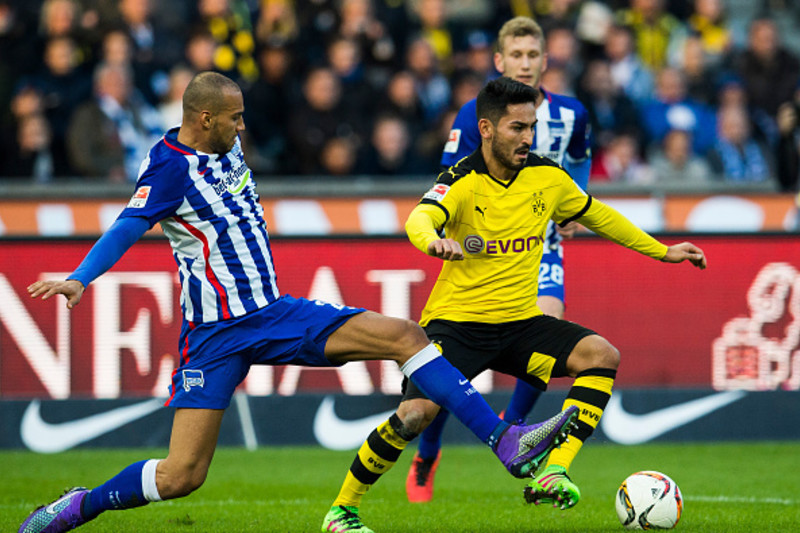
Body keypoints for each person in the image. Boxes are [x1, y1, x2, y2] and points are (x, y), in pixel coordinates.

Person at [18, 71, 579, 533]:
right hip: (214, 335)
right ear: (205, 118)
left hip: (275, 313)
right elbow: (129, 223)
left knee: (407, 335)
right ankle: (78, 506)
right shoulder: (169, 167)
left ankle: (504, 440)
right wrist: (81, 278)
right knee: (181, 476)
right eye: (234, 117)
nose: (243, 127)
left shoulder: (228, 144)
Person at [323, 78, 706, 532]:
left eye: (532, 127)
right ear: (485, 128)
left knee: (601, 355)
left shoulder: (547, 178)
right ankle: (342, 510)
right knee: (413, 416)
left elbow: (599, 215)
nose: (527, 137)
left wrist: (663, 251)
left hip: (520, 323)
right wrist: (433, 243)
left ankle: (554, 471)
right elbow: (420, 217)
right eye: (516, 128)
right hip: (455, 326)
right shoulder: (462, 180)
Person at [406, 16, 592, 505]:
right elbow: (453, 175)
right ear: (500, 62)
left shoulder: (572, 113)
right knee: (453, 363)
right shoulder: (474, 114)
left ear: (546, 61)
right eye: (517, 56)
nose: (526, 64)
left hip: (540, 242)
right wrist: (447, 231)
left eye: (534, 56)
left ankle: (513, 430)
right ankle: (428, 450)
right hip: (482, 246)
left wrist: (577, 206)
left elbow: (580, 160)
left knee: (547, 330)